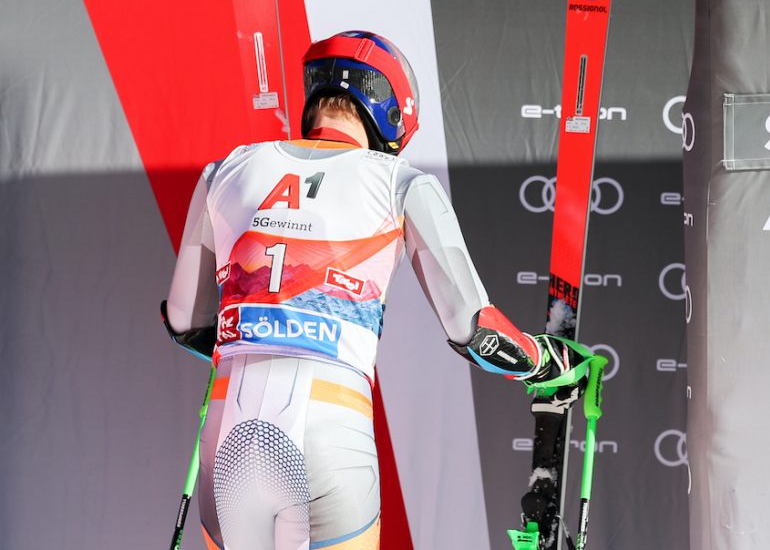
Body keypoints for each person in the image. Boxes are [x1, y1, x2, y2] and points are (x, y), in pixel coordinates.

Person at [162, 30, 576, 550]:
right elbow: (474, 329)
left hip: (230, 432)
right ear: (392, 112)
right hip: (329, 431)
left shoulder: (226, 169)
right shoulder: (400, 182)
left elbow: (185, 321)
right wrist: (548, 362)